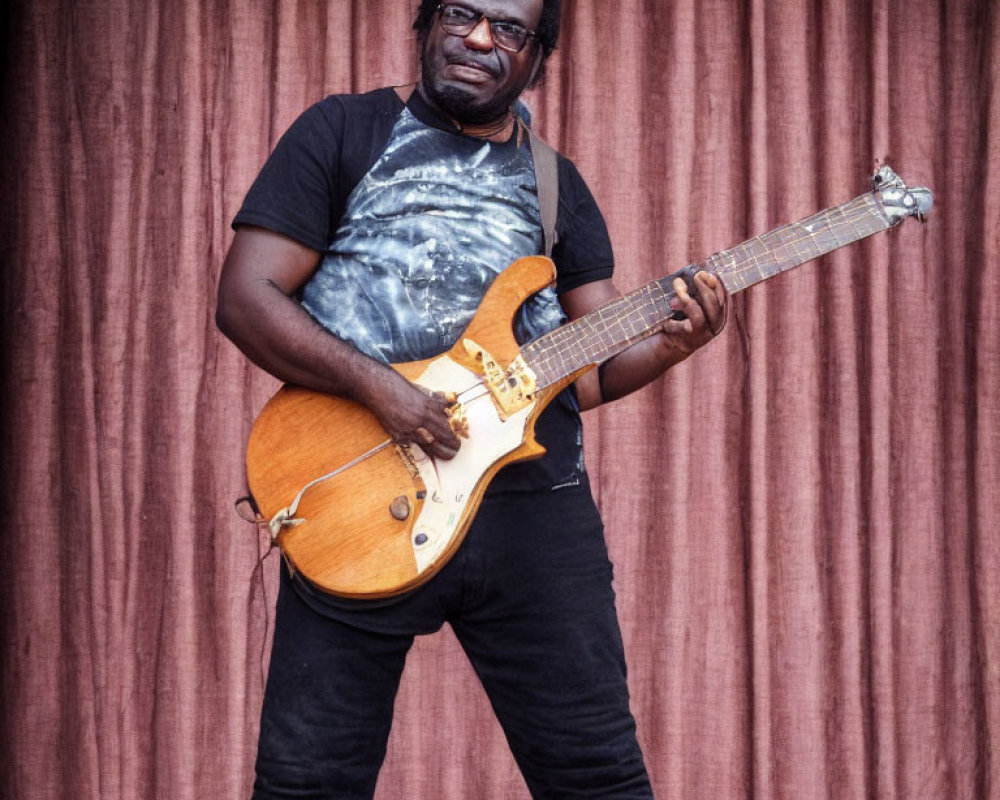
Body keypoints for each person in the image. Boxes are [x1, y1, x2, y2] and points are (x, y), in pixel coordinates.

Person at [217, 1, 728, 797]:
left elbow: (586, 373)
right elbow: (247, 298)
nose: (481, 38)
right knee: (307, 783)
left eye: (511, 29)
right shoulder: (344, 132)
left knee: (597, 777)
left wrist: (672, 343)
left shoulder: (557, 186)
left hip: (534, 513)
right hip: (357, 484)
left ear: (538, 57)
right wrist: (382, 390)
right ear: (425, 25)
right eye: (462, 13)